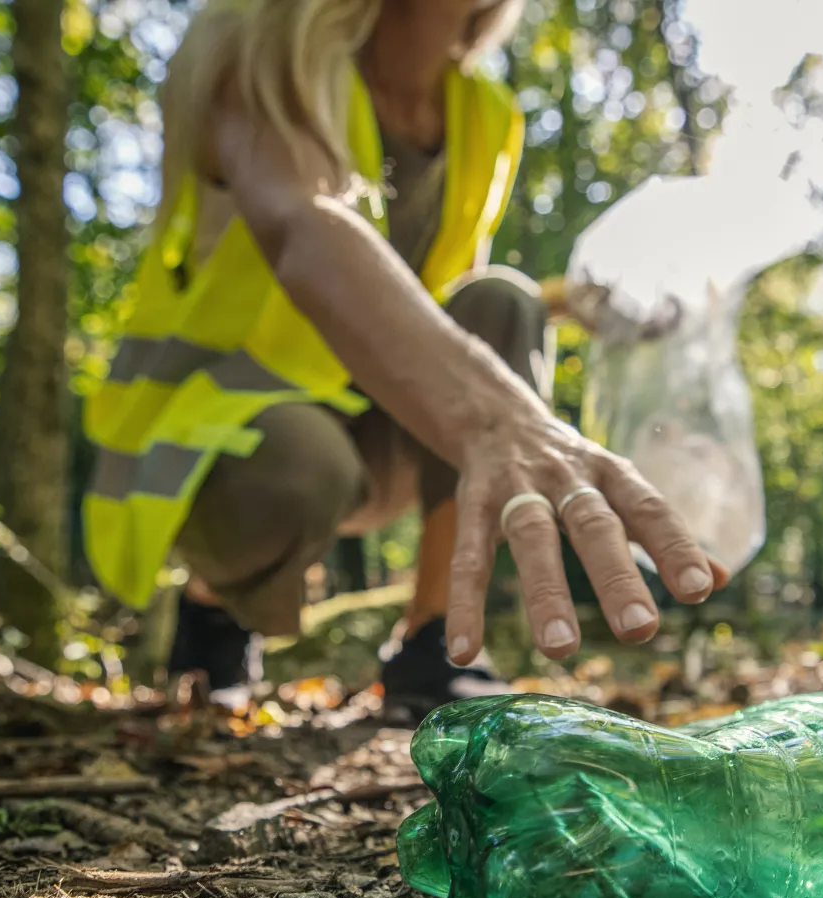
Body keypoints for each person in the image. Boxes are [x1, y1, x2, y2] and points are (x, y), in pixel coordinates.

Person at [81, 0, 726, 720]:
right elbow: (300, 223)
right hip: (226, 431)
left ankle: (436, 641)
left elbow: (438, 307)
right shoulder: (264, 35)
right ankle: (214, 609)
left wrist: (582, 304)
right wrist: (502, 421)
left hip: (374, 418)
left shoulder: (484, 110)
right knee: (304, 465)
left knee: (504, 301)